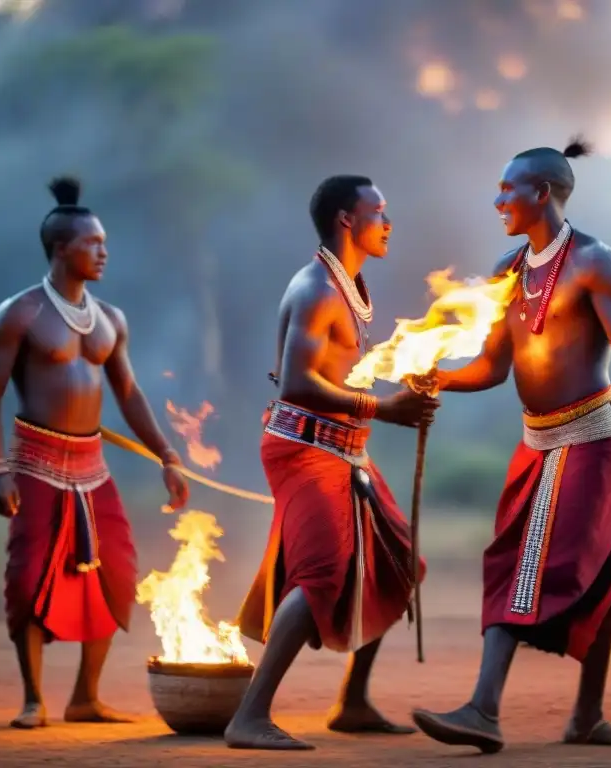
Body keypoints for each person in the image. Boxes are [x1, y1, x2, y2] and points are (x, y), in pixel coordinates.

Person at [409, 139, 611, 753]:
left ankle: (483, 710)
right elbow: (494, 367)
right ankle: (587, 718)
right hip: (536, 444)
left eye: (508, 189)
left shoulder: (596, 262)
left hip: (596, 441)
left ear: (542, 193)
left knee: (528, 564)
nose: (497, 199)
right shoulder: (508, 270)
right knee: (598, 571)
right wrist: (440, 375)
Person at [225, 175, 439, 750]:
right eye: (379, 211)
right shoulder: (318, 287)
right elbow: (297, 383)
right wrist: (383, 408)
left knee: (393, 563)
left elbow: (341, 370)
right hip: (305, 449)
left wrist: (408, 382)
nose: (388, 221)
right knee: (320, 574)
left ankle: (353, 702)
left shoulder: (350, 286)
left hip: (346, 449)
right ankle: (249, 717)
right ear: (347, 219)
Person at [0, 176, 190, 729]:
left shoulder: (110, 318)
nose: (103, 252)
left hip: (93, 468)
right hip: (35, 462)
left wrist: (168, 455)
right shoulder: (19, 313)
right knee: (28, 578)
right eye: (92, 243)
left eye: (104, 242)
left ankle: (85, 697)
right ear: (60, 249)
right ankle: (32, 700)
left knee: (115, 573)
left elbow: (128, 393)